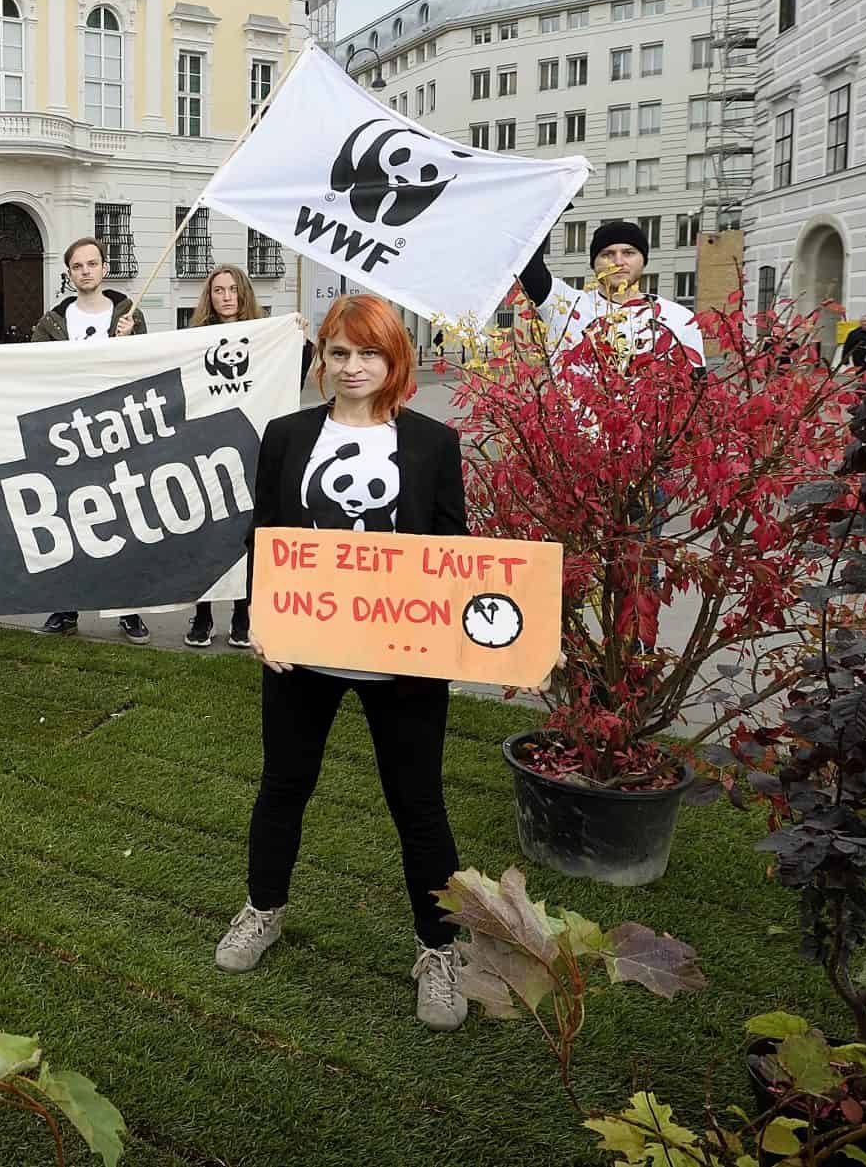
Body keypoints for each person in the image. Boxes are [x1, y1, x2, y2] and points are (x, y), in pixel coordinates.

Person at [213, 292, 469, 1034]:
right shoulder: (288, 436)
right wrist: (266, 617)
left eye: (368, 353)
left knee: (419, 806)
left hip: (405, 661)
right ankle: (262, 910)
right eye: (339, 351)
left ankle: (438, 948)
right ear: (321, 358)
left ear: (395, 360)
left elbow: (455, 554)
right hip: (303, 654)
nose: (352, 366)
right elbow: (267, 535)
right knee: (282, 786)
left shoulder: (432, 444)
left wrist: (491, 638)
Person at [31, 236, 149, 642]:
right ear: (69, 274)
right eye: (77, 266)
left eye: (92, 263)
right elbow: (35, 372)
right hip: (70, 435)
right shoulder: (51, 324)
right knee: (70, 520)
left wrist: (130, 340)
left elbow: (146, 368)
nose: (85, 271)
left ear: (104, 269)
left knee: (125, 519)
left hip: (118, 431)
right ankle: (66, 608)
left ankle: (129, 610)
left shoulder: (130, 317)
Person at [185, 265, 261, 650]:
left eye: (233, 289)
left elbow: (289, 378)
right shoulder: (197, 340)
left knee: (246, 538)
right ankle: (202, 615)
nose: (227, 296)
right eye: (219, 290)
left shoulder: (265, 336)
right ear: (209, 297)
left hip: (250, 451)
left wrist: (296, 335)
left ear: (243, 293)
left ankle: (243, 614)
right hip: (206, 451)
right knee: (206, 536)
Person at [517, 220, 705, 373]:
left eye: (629, 253)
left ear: (643, 260)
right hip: (576, 419)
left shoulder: (679, 319)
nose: (618, 262)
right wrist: (559, 195)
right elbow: (527, 261)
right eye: (607, 254)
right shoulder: (566, 305)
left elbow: (696, 390)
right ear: (594, 263)